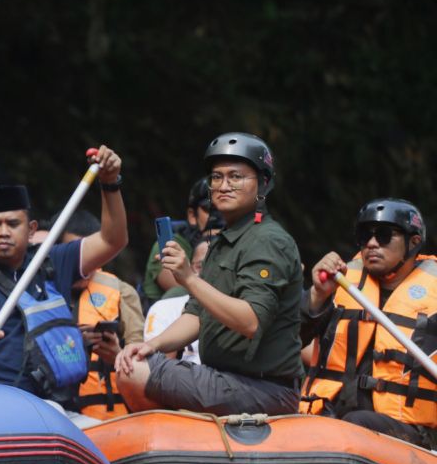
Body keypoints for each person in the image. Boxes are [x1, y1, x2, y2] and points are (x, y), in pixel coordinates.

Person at [0, 146, 128, 408]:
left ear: (31, 229)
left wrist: (110, 183)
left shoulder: (54, 261)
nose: (4, 232)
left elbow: (114, 240)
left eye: (13, 223)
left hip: (56, 409)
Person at [116, 133, 303, 415]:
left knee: (136, 373)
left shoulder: (268, 240)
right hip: (226, 379)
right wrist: (150, 345)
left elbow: (250, 321)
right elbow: (196, 317)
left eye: (236, 177)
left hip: (263, 389)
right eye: (217, 178)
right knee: (134, 362)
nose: (223, 186)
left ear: (263, 183)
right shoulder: (224, 241)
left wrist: (189, 278)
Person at [300, 199, 437, 447]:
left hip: (406, 429)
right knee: (343, 424)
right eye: (365, 236)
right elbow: (291, 339)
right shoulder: (340, 282)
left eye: (384, 236)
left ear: (414, 242)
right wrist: (317, 296)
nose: (372, 244)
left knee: (356, 422)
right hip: (329, 415)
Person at [58, 211, 144, 421]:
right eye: (73, 257)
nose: (80, 266)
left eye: (87, 255)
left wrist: (117, 355)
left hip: (111, 416)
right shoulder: (41, 292)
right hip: (58, 413)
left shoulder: (122, 291)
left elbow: (141, 357)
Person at [140, 177, 215, 306]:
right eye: (210, 209)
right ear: (192, 215)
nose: (217, 215)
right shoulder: (170, 243)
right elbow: (185, 288)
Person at [142, 238, 211, 365]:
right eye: (201, 266)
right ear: (189, 267)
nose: (207, 272)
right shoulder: (164, 308)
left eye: (214, 265)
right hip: (182, 379)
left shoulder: (239, 305)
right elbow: (157, 369)